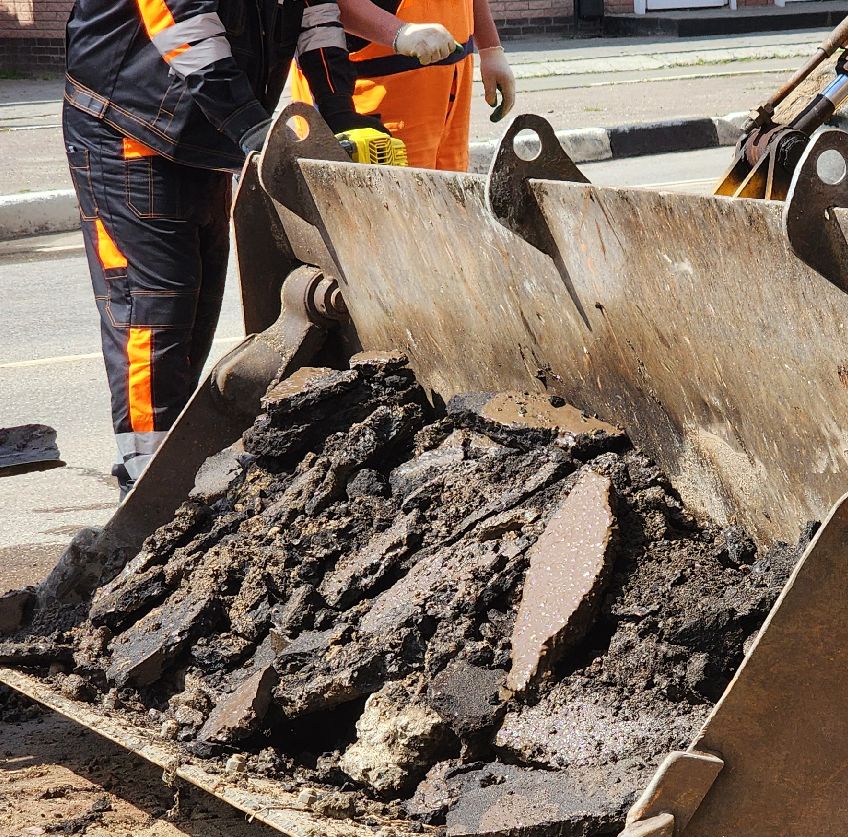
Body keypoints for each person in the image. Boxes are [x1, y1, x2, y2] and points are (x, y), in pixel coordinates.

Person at [63, 0, 397, 493]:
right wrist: (251, 128)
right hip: (128, 128)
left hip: (203, 132)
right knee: (154, 306)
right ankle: (148, 483)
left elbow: (316, 18)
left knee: (196, 305)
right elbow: (186, 28)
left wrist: (341, 114)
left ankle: (173, 466)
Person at [295, 0, 516, 171]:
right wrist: (397, 32)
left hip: (448, 89)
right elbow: (317, 5)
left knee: (447, 203)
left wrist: (490, 48)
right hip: (370, 93)